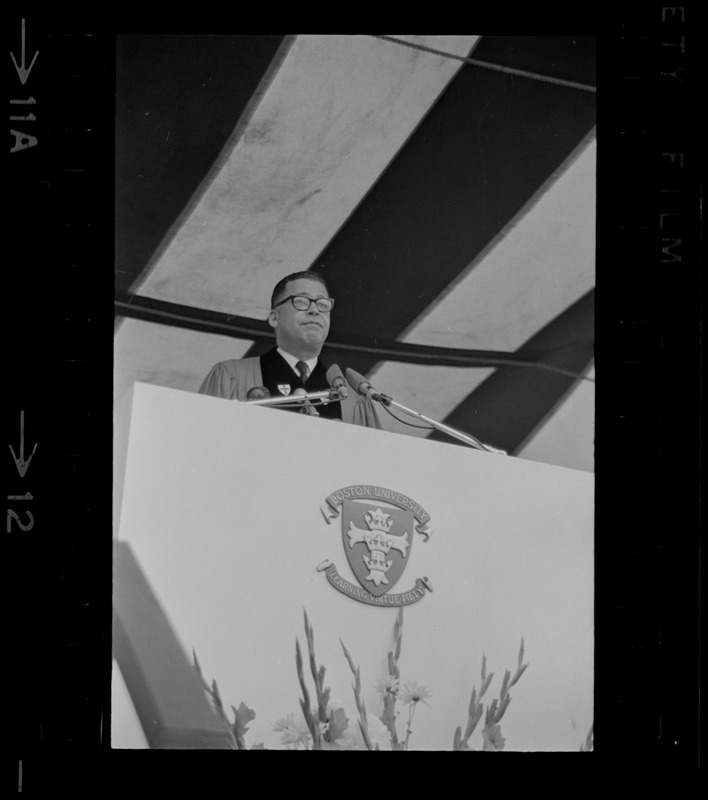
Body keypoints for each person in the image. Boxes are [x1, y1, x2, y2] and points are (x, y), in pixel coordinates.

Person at [198, 271, 381, 428]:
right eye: (301, 302)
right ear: (274, 318)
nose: (314, 311)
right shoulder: (231, 377)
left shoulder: (354, 399)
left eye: (323, 305)